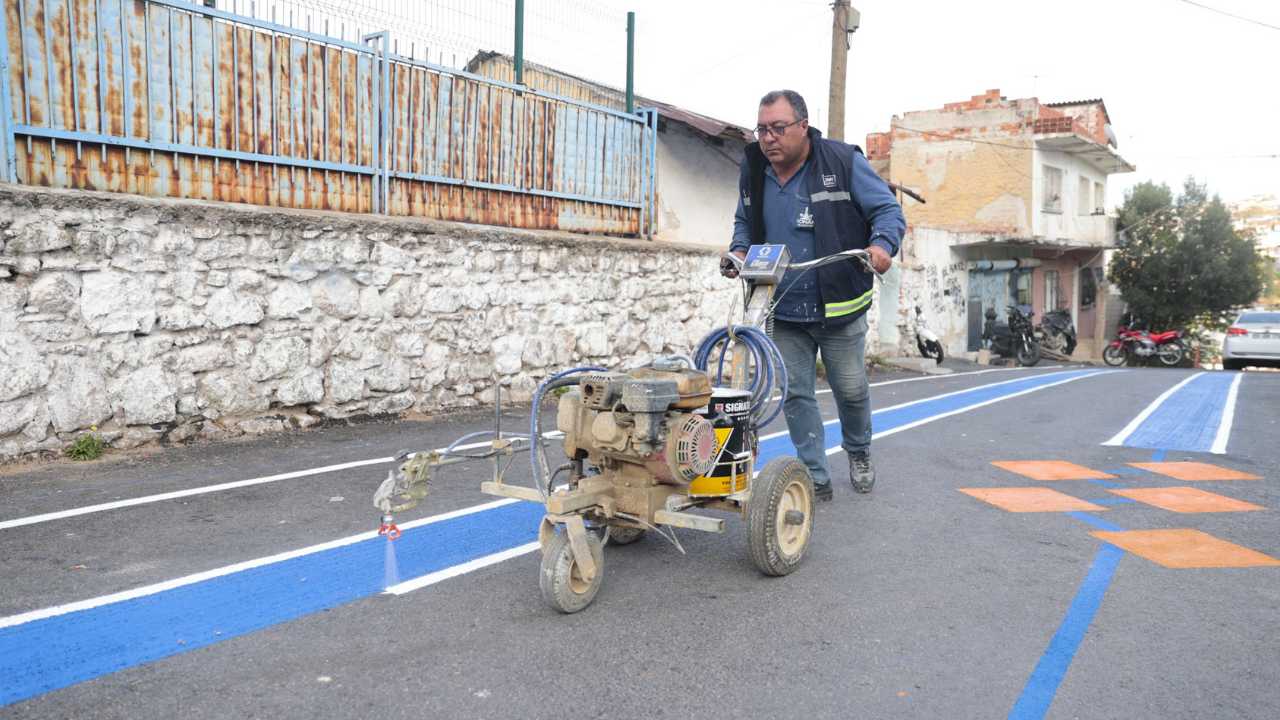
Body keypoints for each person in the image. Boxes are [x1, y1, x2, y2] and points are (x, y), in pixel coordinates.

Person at [722, 89, 905, 502]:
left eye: (779, 128)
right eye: (762, 129)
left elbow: (888, 212)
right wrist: (737, 252)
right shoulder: (753, 167)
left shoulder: (842, 161)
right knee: (796, 394)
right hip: (782, 304)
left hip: (839, 306)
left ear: (803, 127)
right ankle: (814, 475)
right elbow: (744, 223)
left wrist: (881, 245)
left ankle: (858, 451)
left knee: (851, 389)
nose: (768, 138)